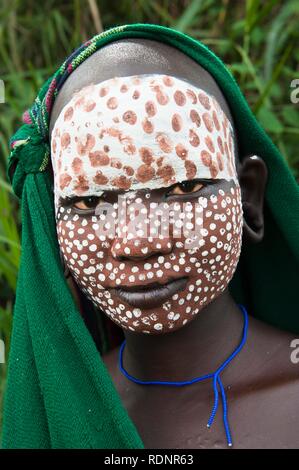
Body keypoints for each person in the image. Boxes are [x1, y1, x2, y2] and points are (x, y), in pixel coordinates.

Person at [2, 23, 299, 449]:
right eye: (91, 202)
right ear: (53, 224)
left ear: (248, 196)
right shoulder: (57, 416)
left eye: (183, 189)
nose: (138, 243)